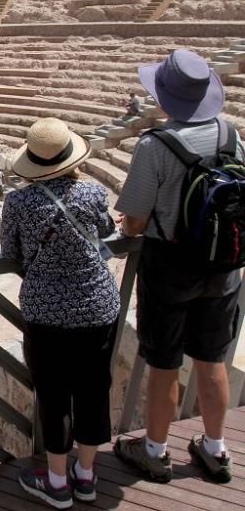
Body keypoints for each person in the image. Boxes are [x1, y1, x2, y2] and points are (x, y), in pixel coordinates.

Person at [115, 49, 242, 485]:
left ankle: (154, 451)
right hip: (223, 263)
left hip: (170, 266)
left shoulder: (155, 145)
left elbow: (133, 219)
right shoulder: (230, 133)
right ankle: (215, 448)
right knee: (212, 361)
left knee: (164, 362)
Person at [1, 118, 120, 508]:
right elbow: (104, 231)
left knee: (52, 396)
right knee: (92, 390)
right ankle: (85, 477)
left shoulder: (17, 201)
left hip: (46, 313)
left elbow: (10, 253)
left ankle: (56, 482)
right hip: (96, 306)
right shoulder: (91, 193)